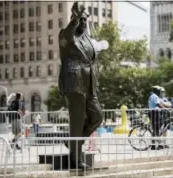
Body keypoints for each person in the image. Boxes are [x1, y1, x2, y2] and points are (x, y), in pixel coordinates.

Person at [58, 2, 104, 169]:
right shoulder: (65, 35)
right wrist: (76, 18)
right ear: (74, 20)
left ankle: (72, 144)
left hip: (89, 84)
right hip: (74, 83)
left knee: (97, 117)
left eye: (85, 20)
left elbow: (91, 61)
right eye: (80, 20)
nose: (83, 23)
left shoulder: (88, 39)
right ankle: (76, 160)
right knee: (77, 122)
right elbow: (69, 34)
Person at [148, 86, 168, 150]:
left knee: (156, 130)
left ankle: (155, 145)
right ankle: (155, 145)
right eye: (159, 90)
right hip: (155, 113)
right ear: (156, 90)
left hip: (154, 113)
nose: (159, 92)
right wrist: (166, 109)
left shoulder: (152, 96)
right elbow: (158, 104)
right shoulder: (154, 96)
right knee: (156, 130)